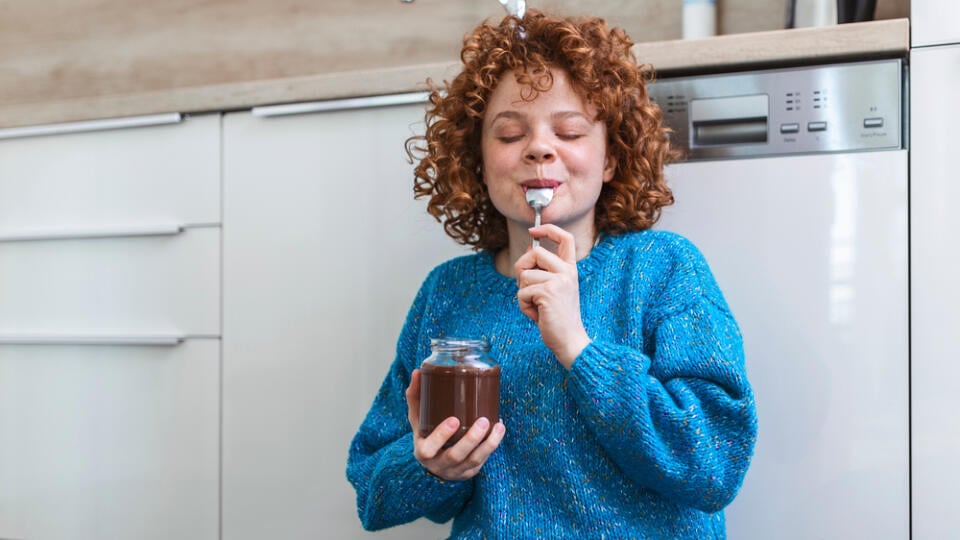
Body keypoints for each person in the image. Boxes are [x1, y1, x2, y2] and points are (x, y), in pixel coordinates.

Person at [346, 10, 757, 539]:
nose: (540, 147)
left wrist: (580, 350)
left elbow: (715, 464)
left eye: (569, 130)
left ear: (610, 157)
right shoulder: (448, 292)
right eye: (510, 133)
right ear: (478, 160)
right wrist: (429, 467)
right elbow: (371, 492)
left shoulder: (664, 270)